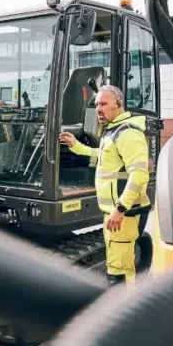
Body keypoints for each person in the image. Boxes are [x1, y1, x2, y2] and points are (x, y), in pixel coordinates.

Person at [59, 85, 151, 286]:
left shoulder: (128, 133)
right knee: (116, 265)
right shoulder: (113, 131)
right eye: (96, 104)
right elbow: (103, 157)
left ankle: (126, 312)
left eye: (103, 104)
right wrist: (76, 145)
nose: (98, 109)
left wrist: (120, 209)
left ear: (119, 104)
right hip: (115, 212)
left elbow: (139, 174)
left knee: (121, 272)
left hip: (125, 214)